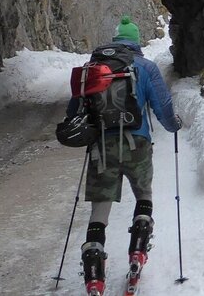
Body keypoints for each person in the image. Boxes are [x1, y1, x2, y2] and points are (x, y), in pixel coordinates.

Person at [66, 16, 182, 293]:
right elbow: (162, 108)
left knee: (100, 210)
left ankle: (94, 276)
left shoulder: (91, 68)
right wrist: (174, 125)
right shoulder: (145, 67)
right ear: (136, 40)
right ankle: (137, 254)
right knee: (144, 196)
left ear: (115, 39)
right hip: (137, 143)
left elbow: (74, 112)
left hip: (101, 148)